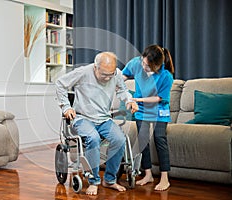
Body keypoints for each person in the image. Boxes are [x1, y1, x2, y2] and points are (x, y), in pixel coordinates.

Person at [56, 52, 138, 195]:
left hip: (104, 119)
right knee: (92, 138)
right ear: (95, 67)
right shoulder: (83, 72)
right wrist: (66, 107)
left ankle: (110, 180)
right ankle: (93, 181)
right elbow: (60, 84)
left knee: (120, 139)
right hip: (82, 118)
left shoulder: (116, 74)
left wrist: (129, 100)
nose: (107, 78)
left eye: (110, 74)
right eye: (104, 74)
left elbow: (123, 90)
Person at [121, 44, 175, 191]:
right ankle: (148, 174)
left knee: (159, 139)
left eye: (149, 66)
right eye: (144, 63)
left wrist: (136, 100)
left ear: (158, 65)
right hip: (142, 111)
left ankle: (165, 178)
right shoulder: (136, 63)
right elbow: (123, 76)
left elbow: (159, 98)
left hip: (159, 110)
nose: (144, 67)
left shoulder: (166, 76)